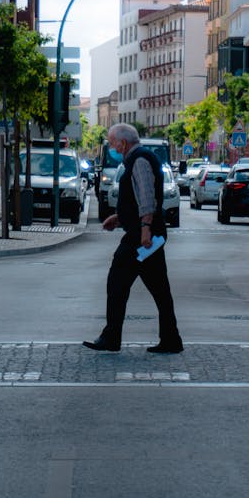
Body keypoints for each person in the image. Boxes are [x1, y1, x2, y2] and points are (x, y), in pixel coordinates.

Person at [83, 123, 183, 354]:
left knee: (117, 283)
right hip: (145, 233)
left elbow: (147, 197)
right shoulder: (138, 159)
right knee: (160, 289)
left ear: (123, 143)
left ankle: (111, 337)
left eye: (112, 142)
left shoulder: (139, 160)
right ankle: (171, 339)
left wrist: (145, 228)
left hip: (141, 237)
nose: (111, 146)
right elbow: (138, 199)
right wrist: (120, 217)